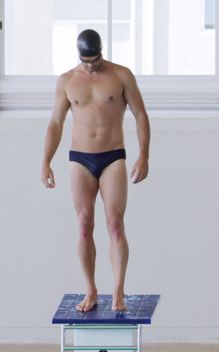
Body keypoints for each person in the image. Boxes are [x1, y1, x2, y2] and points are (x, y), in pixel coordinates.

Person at [41, 29, 150, 313]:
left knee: (114, 224)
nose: (91, 66)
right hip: (80, 159)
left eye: (96, 59)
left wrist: (144, 155)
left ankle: (118, 292)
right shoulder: (67, 81)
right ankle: (90, 290)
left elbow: (140, 114)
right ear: (79, 55)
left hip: (113, 156)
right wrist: (45, 161)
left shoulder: (121, 75)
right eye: (86, 61)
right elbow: (55, 123)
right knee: (84, 225)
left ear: (103, 51)